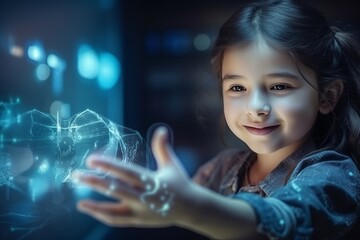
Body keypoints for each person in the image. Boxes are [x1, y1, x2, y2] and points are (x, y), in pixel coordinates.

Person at [72, 0, 360, 239]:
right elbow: (180, 202)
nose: (256, 106)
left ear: (327, 97)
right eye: (237, 88)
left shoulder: (333, 175)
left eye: (279, 87)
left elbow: (286, 217)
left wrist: (193, 208)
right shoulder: (222, 168)